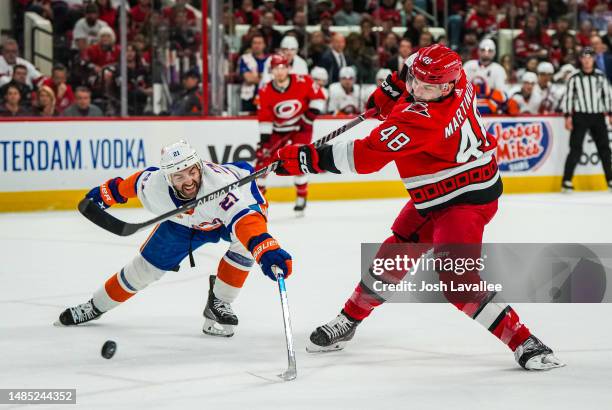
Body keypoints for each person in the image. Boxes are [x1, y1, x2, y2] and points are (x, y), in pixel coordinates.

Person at [274, 44, 564, 370]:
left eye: (426, 87)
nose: (417, 89)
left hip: (464, 201)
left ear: (446, 87)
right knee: (393, 253)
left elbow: (365, 157)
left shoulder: (424, 119)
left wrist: (307, 159)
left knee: (458, 282)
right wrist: (395, 84)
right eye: (415, 81)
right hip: (438, 192)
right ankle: (349, 319)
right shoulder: (457, 76)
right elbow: (416, 64)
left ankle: (524, 341)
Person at [55, 140, 292, 338]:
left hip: (233, 211)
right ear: (168, 178)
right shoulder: (153, 185)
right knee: (143, 270)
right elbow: (126, 186)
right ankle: (95, 306)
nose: (188, 181)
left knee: (245, 243)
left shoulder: (221, 188)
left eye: (192, 171)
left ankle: (220, 301)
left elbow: (245, 220)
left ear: (200, 167)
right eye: (178, 176)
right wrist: (103, 195)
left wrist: (266, 249)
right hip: (182, 222)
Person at [255, 54, 326, 215]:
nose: (279, 72)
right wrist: (265, 141)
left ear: (288, 68)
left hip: (301, 128)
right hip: (277, 131)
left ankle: (302, 196)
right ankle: (259, 204)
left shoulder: (303, 81)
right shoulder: (265, 90)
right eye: (276, 69)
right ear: (271, 71)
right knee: (262, 165)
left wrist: (308, 119)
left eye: (282, 68)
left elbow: (319, 97)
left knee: (299, 160)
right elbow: (265, 117)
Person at [561, 47, 612, 193]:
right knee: (575, 148)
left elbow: (607, 95)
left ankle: (610, 178)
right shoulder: (575, 77)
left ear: (594, 59)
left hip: (597, 115)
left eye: (590, 57)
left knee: (605, 149)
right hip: (580, 116)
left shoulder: (600, 76)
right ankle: (566, 180)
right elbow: (569, 97)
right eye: (584, 57)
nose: (587, 60)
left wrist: (610, 113)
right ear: (581, 59)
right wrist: (567, 116)